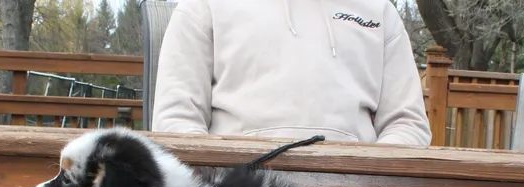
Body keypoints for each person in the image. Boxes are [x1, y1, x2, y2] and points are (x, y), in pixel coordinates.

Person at [151, 0, 432, 146]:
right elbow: (176, 120)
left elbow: (407, 123)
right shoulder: (202, 6)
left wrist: (375, 183)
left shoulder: (379, 10)